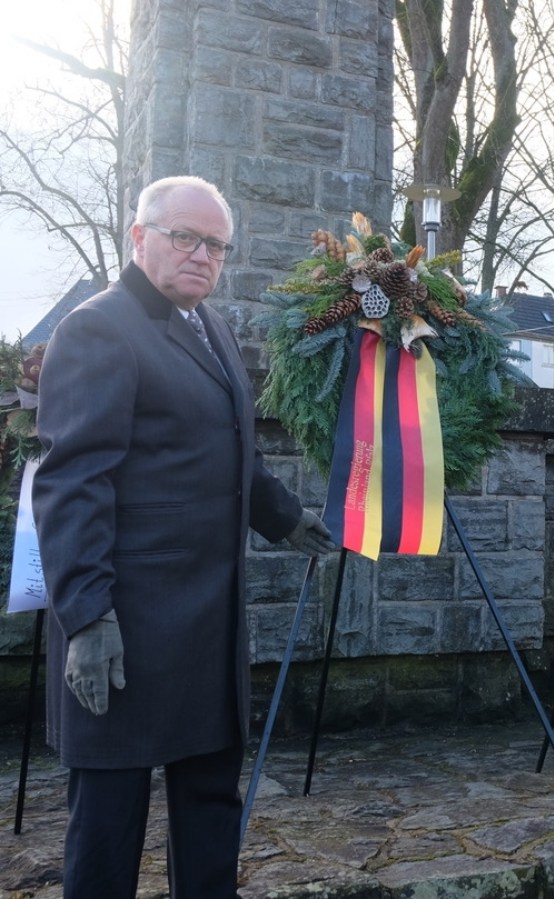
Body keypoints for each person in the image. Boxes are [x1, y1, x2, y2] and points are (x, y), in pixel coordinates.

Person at [32, 175, 337, 898]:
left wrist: (286, 518)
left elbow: (234, 457)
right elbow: (73, 482)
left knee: (208, 814)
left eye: (217, 245)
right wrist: (86, 615)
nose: (203, 255)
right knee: (108, 828)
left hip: (205, 623)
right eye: (185, 237)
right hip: (123, 629)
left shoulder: (213, 329)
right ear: (139, 238)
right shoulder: (98, 327)